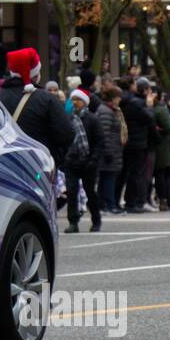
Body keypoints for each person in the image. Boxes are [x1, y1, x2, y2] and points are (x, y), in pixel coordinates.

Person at [0, 47, 74, 162]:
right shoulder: (47, 100)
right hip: (37, 165)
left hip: (3, 165)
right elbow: (67, 134)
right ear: (35, 75)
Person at [63, 89, 102, 233]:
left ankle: (96, 220)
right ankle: (73, 222)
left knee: (90, 192)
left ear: (84, 102)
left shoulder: (92, 119)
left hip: (88, 162)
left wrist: (93, 160)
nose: (75, 102)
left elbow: (99, 142)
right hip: (71, 162)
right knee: (72, 192)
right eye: (72, 99)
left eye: (77, 99)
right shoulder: (68, 119)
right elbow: (64, 139)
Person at [120, 77, 159, 213]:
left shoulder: (129, 101)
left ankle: (131, 201)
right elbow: (148, 118)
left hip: (131, 141)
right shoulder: (137, 103)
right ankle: (133, 202)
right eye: (148, 89)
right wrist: (149, 105)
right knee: (137, 173)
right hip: (138, 142)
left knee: (132, 173)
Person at [95, 85, 125, 214]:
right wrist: (108, 152)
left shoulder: (108, 110)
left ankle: (104, 204)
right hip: (109, 151)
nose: (119, 100)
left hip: (111, 150)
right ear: (113, 98)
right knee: (108, 179)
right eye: (118, 98)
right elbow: (105, 133)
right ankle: (109, 204)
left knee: (106, 178)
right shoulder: (106, 112)